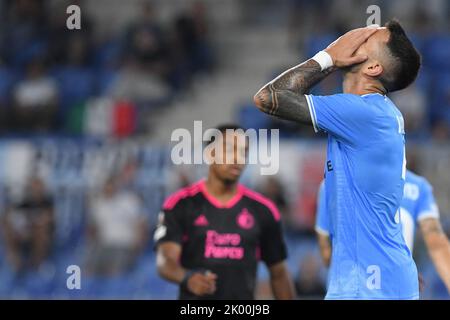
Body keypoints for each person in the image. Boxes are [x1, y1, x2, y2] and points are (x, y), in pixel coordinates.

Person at [253, 21, 421, 299]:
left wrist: (327, 57)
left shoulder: (366, 114)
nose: (356, 36)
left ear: (373, 68)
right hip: (368, 278)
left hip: (371, 283)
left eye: (367, 38)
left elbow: (268, 98)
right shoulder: (371, 115)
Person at [154, 124, 295, 300]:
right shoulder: (180, 205)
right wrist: (187, 278)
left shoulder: (263, 210)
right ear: (210, 154)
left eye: (244, 151)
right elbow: (165, 261)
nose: (238, 158)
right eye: (230, 150)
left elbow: (279, 274)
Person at [315, 170, 450, 294]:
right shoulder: (418, 187)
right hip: (396, 286)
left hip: (349, 288)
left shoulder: (332, 184)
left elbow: (326, 253)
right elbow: (437, 244)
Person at [86, 177, 148, 276]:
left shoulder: (129, 201)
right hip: (104, 245)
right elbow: (93, 228)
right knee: (88, 269)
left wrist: (138, 244)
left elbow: (141, 224)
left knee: (115, 271)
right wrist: (92, 243)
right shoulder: (98, 204)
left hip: (124, 245)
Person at [1, 176, 54, 273]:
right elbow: (12, 213)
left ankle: (36, 266)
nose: (36, 190)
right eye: (33, 187)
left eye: (38, 187)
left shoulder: (47, 202)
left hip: (43, 238)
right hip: (26, 234)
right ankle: (15, 264)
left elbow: (48, 220)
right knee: (8, 228)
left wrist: (34, 222)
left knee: (40, 231)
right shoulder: (26, 202)